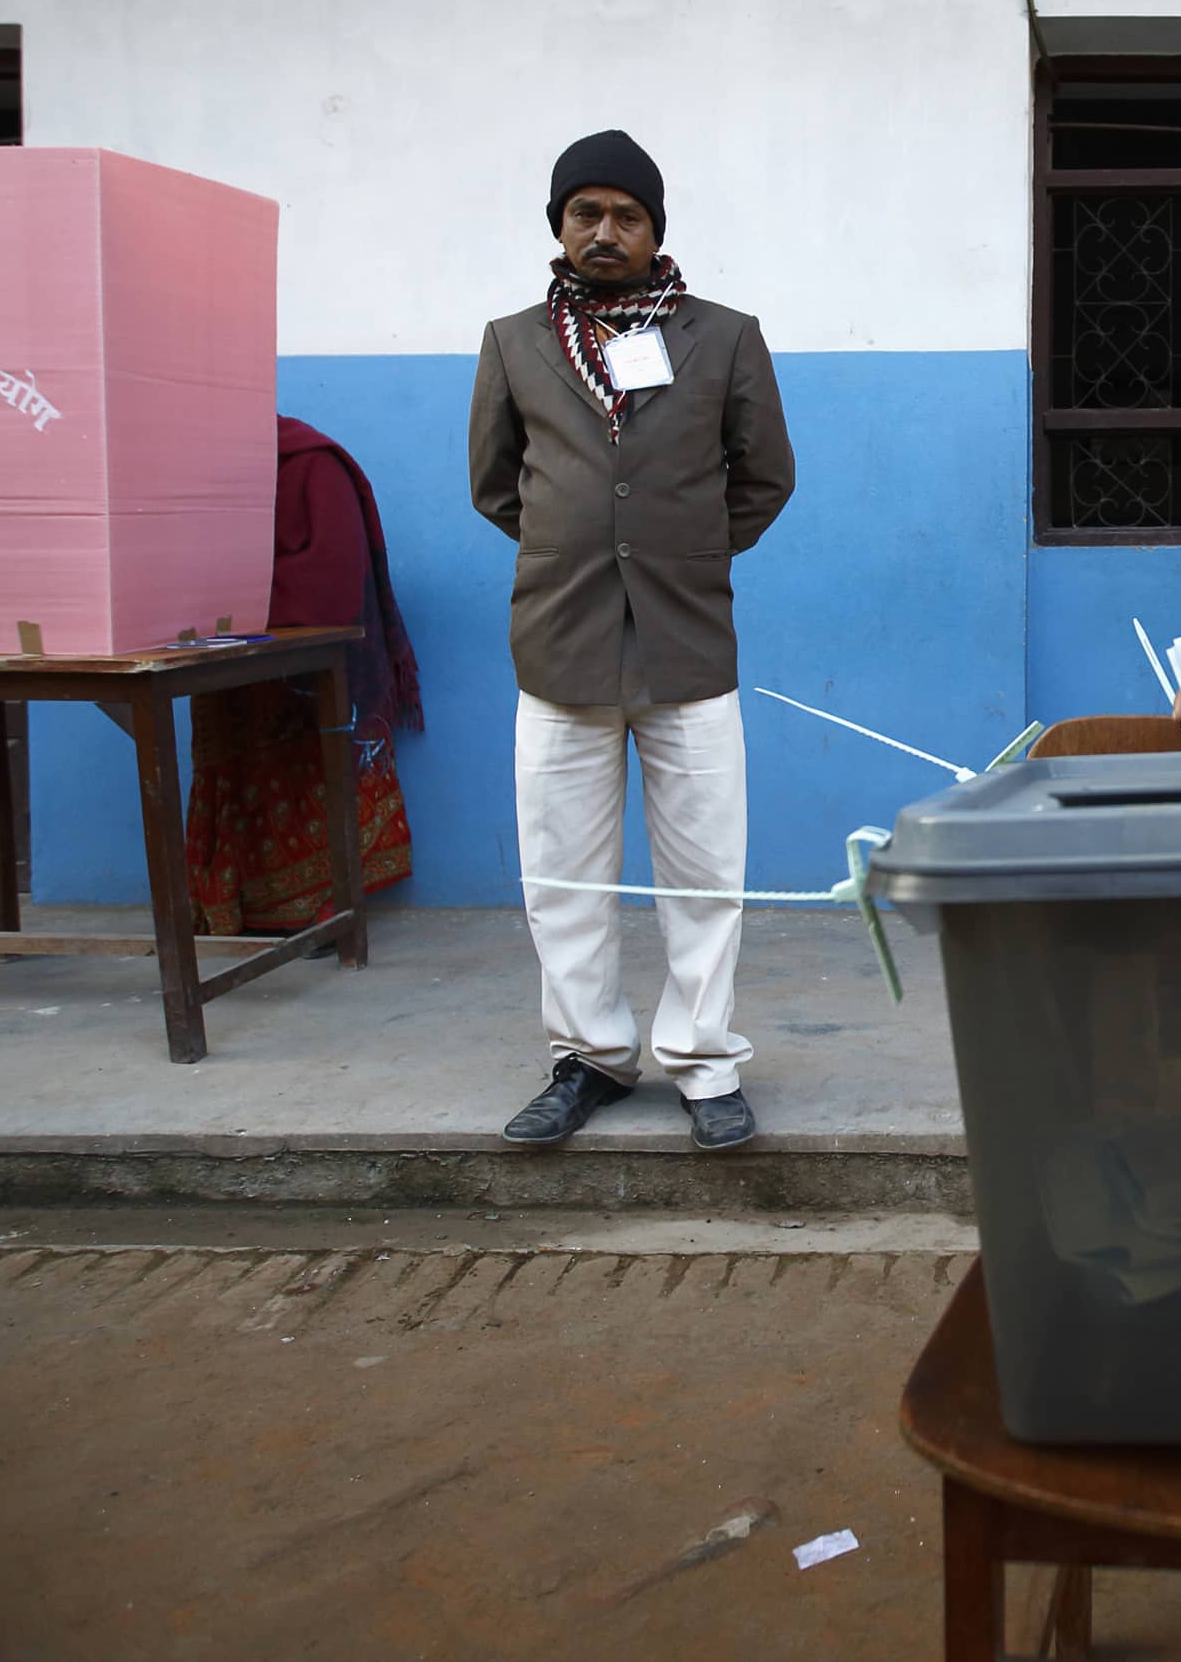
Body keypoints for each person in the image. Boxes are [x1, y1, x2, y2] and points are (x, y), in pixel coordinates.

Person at [469, 130, 796, 1152]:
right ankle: (589, 1058)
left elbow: (764, 477)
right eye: (585, 213)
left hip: (687, 642)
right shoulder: (515, 340)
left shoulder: (725, 335)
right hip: (558, 643)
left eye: (626, 214)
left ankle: (703, 1061)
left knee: (706, 867)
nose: (604, 230)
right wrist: (585, 555)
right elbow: (496, 484)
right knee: (561, 869)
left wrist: (678, 553)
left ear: (657, 231)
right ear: (559, 227)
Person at [184, 416, 420, 936]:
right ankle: (236, 902)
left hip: (310, 661)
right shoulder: (207, 473)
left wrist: (244, 601)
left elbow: (332, 579)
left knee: (319, 769)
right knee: (231, 771)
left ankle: (327, 909)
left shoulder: (314, 464)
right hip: (230, 662)